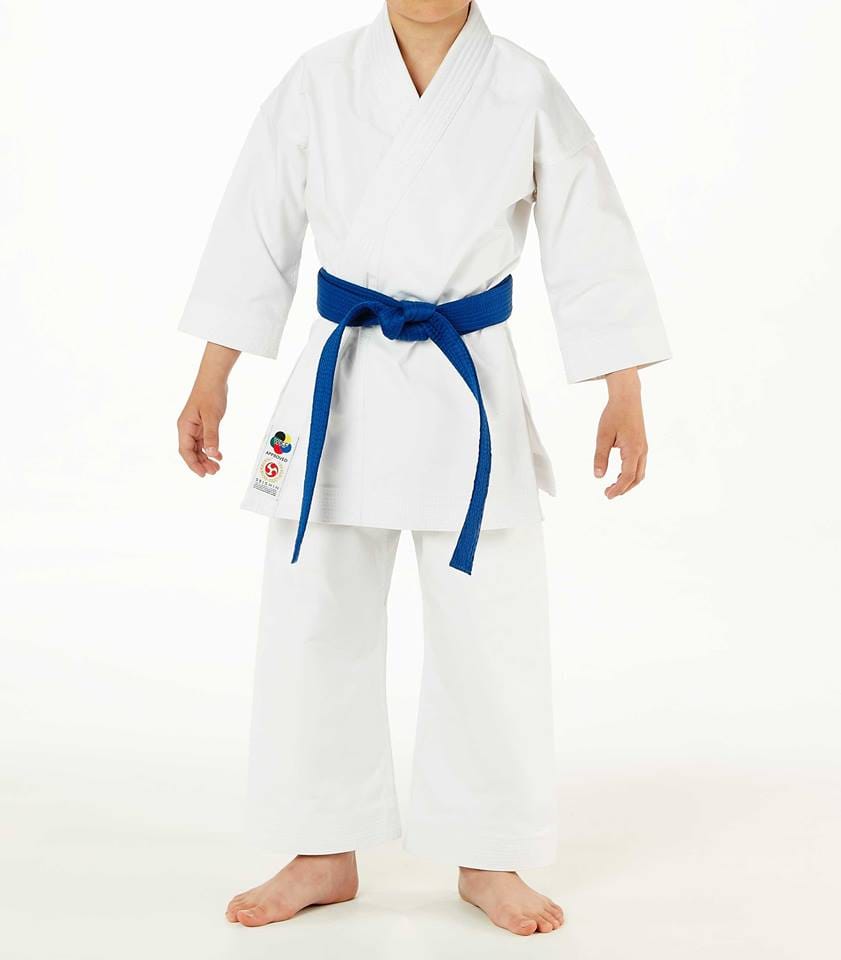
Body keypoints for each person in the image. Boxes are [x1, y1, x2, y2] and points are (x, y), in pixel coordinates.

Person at [176, 0, 669, 937]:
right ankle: (321, 847)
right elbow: (254, 232)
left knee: (490, 625)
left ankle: (489, 851)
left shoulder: (522, 85)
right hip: (343, 382)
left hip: (467, 385)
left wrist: (623, 386)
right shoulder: (319, 79)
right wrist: (213, 376)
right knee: (312, 617)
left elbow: (590, 239)